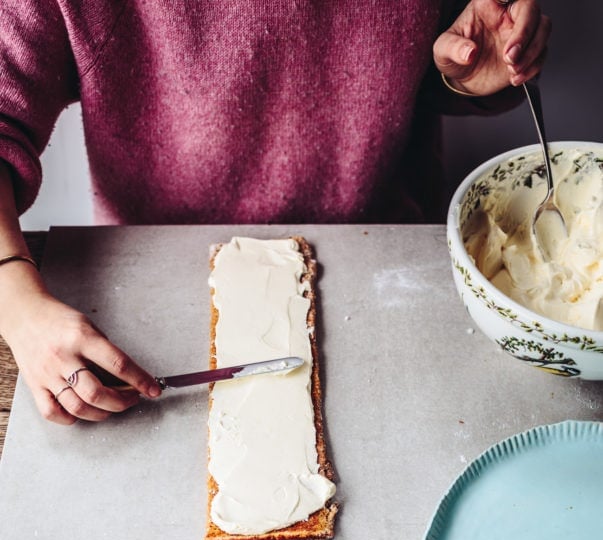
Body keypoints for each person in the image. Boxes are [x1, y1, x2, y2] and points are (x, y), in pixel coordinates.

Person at [0, 0, 550, 425]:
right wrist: (14, 298)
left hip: (392, 257)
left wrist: (469, 65)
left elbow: (439, 55)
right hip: (155, 289)